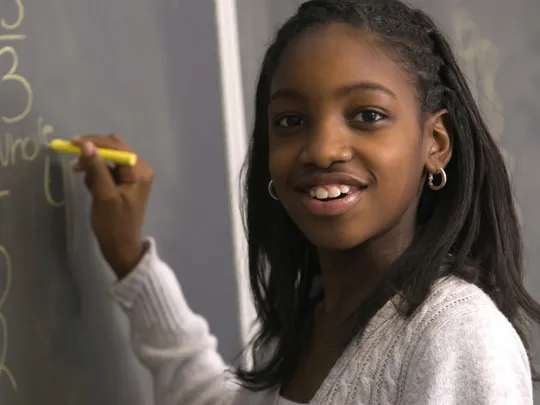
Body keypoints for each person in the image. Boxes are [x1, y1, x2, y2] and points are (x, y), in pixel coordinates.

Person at [71, 0, 538, 404]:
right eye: (291, 121)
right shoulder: (314, 321)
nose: (322, 149)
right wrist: (130, 260)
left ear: (434, 142)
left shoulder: (454, 335)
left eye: (367, 115)